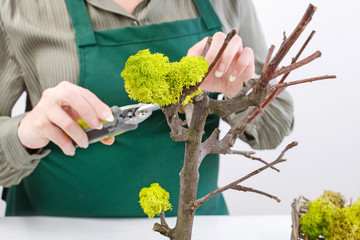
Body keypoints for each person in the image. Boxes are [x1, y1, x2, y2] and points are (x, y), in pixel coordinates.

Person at [0, 0, 294, 217]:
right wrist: (24, 132)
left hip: (197, 229)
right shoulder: (16, 8)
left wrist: (237, 91)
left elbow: (274, 129)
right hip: (53, 229)